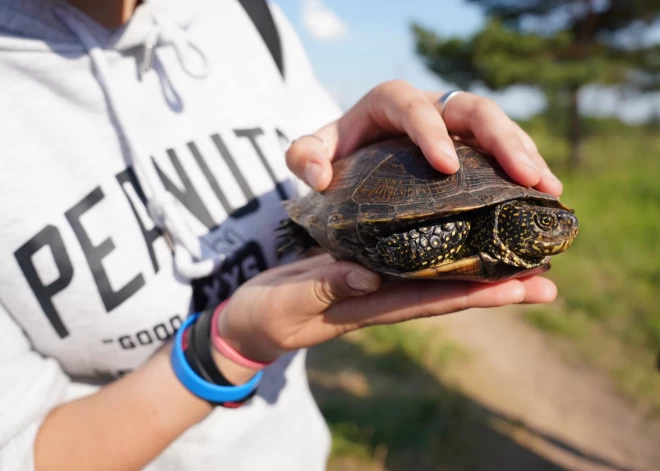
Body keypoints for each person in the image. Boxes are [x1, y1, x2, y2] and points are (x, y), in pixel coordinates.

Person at [0, 0, 563, 470]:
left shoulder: (244, 16)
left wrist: (404, 128)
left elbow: (324, 171)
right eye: (540, 221)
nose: (557, 228)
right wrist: (229, 347)